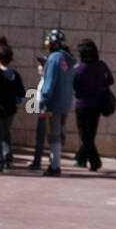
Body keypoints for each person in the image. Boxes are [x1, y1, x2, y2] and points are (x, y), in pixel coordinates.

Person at [37, 29, 76, 176]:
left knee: (53, 135)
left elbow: (49, 83)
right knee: (58, 134)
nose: (45, 42)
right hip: (65, 102)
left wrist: (42, 103)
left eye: (47, 40)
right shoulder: (67, 58)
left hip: (54, 103)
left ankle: (55, 166)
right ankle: (55, 163)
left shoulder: (54, 58)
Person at [73, 39, 113, 172]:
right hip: (97, 105)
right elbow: (110, 80)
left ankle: (94, 161)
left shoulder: (79, 70)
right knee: (90, 134)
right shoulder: (102, 66)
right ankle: (81, 159)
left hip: (82, 106)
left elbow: (73, 85)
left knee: (85, 135)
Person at [0, 44, 25, 172]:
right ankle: (8, 158)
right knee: (6, 133)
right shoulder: (14, 75)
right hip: (9, 109)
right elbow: (21, 92)